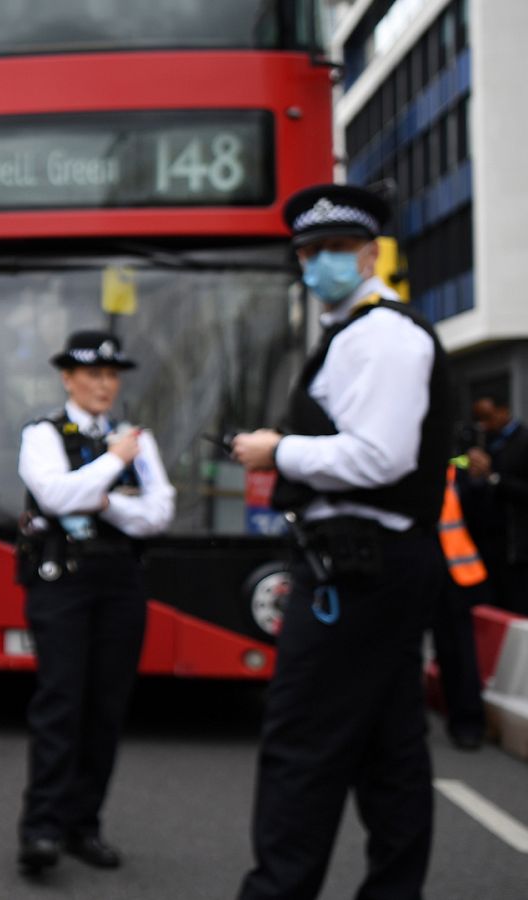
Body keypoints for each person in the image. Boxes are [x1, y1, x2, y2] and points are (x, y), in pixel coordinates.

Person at [231, 183, 451, 900]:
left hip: (360, 569)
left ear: (369, 253)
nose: (318, 263)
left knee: (303, 744)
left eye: (333, 249)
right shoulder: (357, 334)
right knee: (390, 753)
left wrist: (279, 450)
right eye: (307, 251)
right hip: (373, 565)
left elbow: (380, 457)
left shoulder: (382, 336)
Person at [13, 330, 174, 876]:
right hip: (63, 581)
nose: (103, 384)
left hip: (121, 580)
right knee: (60, 703)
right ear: (68, 378)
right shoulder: (43, 433)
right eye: (92, 374)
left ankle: (84, 826)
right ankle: (41, 830)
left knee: (106, 707)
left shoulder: (136, 438)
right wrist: (110, 469)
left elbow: (158, 513)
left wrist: (102, 502)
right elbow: (54, 497)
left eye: (111, 375)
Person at [434, 462, 487, 750]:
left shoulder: (457, 469)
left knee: (457, 652)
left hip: (453, 574)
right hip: (415, 568)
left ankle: (467, 722)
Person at [459, 395, 528, 615]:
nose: (483, 425)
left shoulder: (523, 442)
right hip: (487, 549)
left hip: (516, 550)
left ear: (503, 411)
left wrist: (493, 477)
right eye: (478, 419)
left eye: (487, 417)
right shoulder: (482, 442)